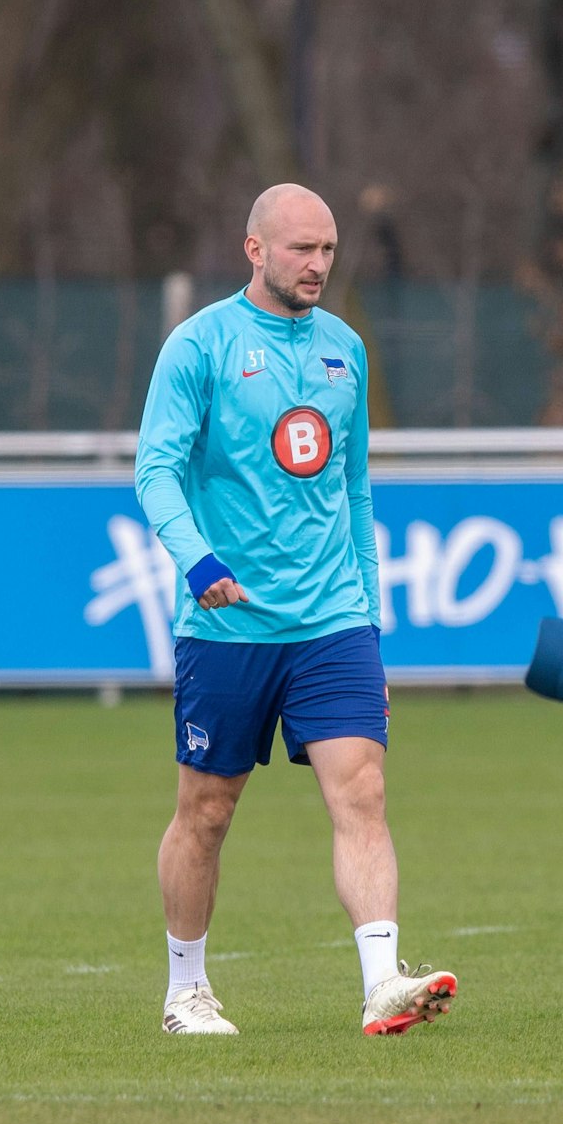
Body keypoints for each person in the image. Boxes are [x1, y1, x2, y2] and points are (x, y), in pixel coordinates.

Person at [135, 183, 457, 1037]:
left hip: (332, 623)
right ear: (255, 249)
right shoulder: (199, 345)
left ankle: (382, 981)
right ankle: (186, 991)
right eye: (301, 248)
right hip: (228, 625)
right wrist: (197, 558)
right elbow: (155, 470)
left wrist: (372, 625)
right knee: (206, 810)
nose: (318, 264)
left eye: (328, 249)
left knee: (364, 793)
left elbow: (355, 497)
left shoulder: (345, 349)